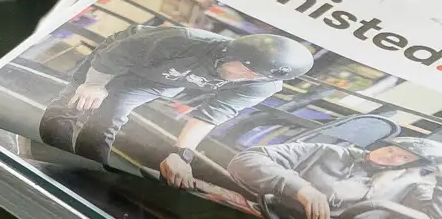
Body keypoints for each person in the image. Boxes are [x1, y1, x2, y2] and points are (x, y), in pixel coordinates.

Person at [38, 24, 315, 169]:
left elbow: (211, 116)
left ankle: (89, 167)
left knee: (113, 114)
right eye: (245, 70)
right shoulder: (186, 40)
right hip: (123, 57)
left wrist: (181, 155)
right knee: (76, 101)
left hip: (163, 80)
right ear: (231, 54)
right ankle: (52, 145)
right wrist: (94, 84)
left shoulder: (262, 84)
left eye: (255, 77)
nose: (246, 78)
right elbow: (117, 55)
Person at [221, 136, 442, 219]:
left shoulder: (411, 186)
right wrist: (302, 188)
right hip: (274, 211)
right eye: (391, 149)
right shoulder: (327, 152)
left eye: (403, 158)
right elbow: (247, 159)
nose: (390, 156)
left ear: (411, 165)